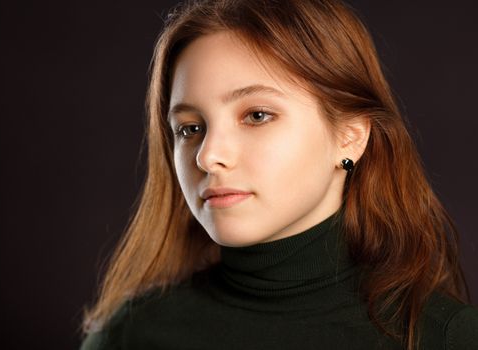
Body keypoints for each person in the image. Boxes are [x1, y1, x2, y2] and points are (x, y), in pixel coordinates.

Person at [80, 0, 478, 349]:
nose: (208, 155)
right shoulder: (130, 337)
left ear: (350, 137)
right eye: (189, 128)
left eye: (256, 115)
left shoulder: (442, 338)